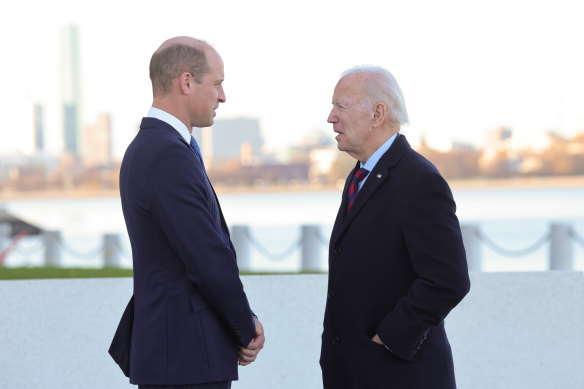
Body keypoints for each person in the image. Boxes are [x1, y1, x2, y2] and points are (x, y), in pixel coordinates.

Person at [108, 36, 264, 389]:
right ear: (186, 81)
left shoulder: (153, 148)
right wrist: (245, 325)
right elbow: (208, 258)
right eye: (218, 83)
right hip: (185, 357)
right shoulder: (167, 155)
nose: (222, 96)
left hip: (175, 355)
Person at [319, 66, 471, 389]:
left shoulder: (420, 181)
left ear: (377, 114)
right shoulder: (358, 176)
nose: (331, 117)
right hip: (352, 374)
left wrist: (387, 339)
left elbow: (448, 279)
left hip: (399, 374)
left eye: (340, 106)